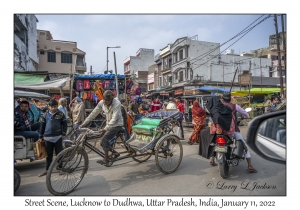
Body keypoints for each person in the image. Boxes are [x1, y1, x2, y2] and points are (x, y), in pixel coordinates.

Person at [80, 90, 123, 166]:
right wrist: (83, 124)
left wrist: (104, 129)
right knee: (102, 143)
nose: (105, 102)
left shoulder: (117, 103)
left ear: (112, 99)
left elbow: (114, 119)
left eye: (107, 100)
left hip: (117, 125)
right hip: (109, 124)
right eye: (104, 100)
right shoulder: (101, 103)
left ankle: (106, 160)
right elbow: (93, 113)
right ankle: (116, 153)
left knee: (105, 139)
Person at [221, 92, 257, 173]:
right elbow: (244, 113)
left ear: (222, 99)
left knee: (214, 143)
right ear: (230, 98)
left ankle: (212, 159)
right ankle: (250, 165)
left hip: (220, 131)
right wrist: (247, 116)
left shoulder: (219, 106)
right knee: (244, 145)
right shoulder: (234, 106)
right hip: (233, 131)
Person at [199, 96, 234, 165]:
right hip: (229, 129)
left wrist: (215, 128)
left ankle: (208, 155)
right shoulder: (226, 107)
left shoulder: (214, 110)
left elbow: (217, 121)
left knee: (204, 134)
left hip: (219, 130)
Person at [37, 100, 67, 177]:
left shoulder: (61, 114)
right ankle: (47, 169)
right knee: (48, 155)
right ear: (48, 107)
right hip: (47, 138)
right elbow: (42, 126)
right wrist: (40, 136)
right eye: (52, 107)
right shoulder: (45, 115)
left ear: (57, 106)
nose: (54, 108)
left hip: (58, 137)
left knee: (59, 154)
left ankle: (60, 168)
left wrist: (63, 133)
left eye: (55, 106)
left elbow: (65, 124)